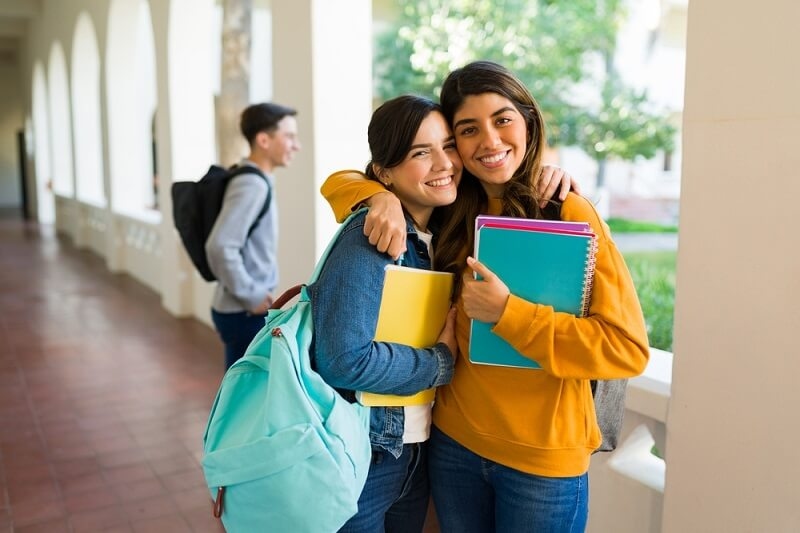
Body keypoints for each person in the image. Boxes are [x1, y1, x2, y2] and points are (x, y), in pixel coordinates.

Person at [322, 61, 650, 532]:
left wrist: (508, 314)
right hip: (453, 446)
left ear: (528, 122)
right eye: (467, 131)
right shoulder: (453, 206)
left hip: (541, 460)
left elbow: (626, 348)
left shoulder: (565, 210)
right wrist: (378, 197)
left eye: (502, 120)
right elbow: (339, 181)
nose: (490, 142)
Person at [308, 95, 459, 533]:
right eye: (420, 152)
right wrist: (440, 363)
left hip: (414, 450)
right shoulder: (372, 235)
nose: (443, 163)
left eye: (448, 146)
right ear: (384, 172)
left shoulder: (440, 234)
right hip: (371, 454)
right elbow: (343, 359)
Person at [206, 102, 301, 369]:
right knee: (245, 393)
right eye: (290, 137)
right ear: (263, 140)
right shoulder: (252, 184)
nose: (297, 145)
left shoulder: (252, 178)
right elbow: (220, 245)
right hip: (243, 311)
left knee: (242, 388)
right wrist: (252, 295)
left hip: (240, 308)